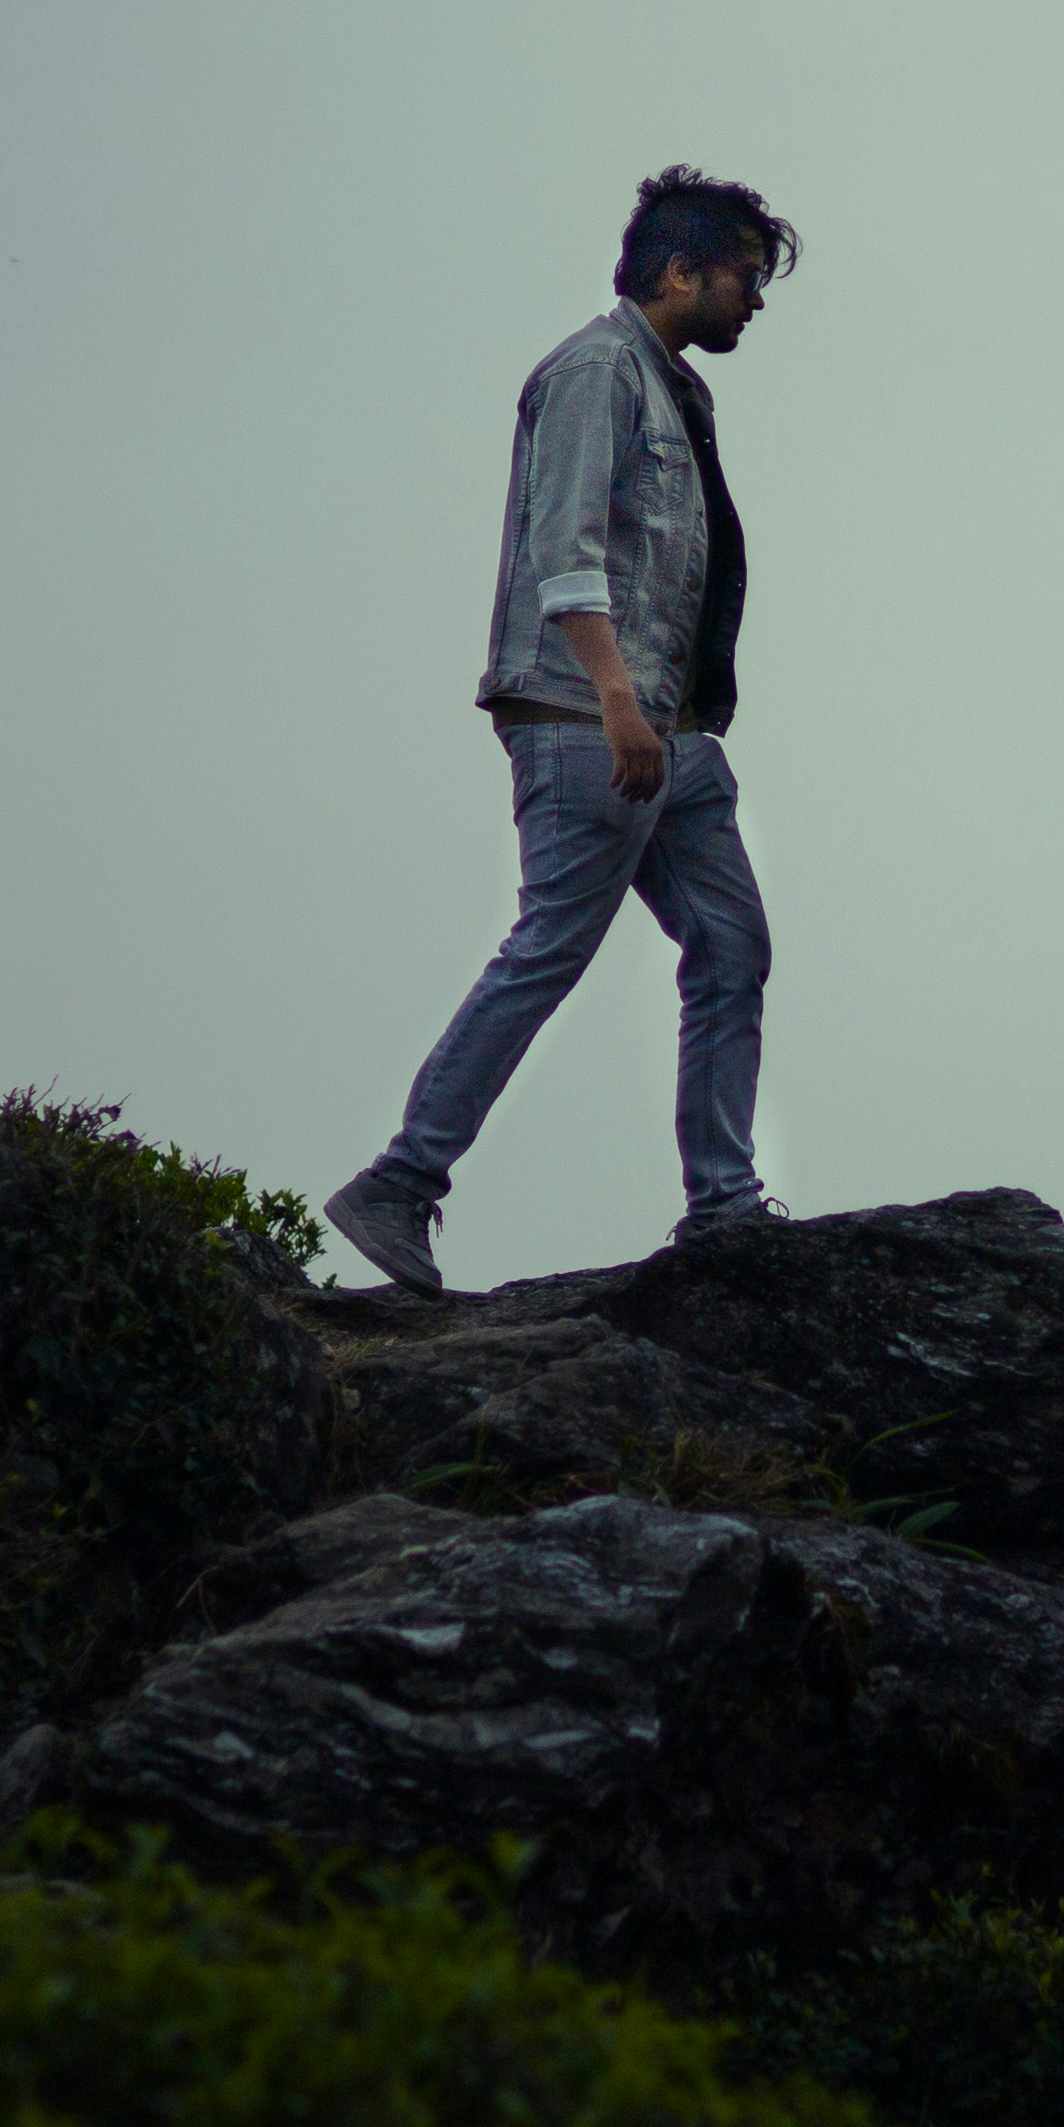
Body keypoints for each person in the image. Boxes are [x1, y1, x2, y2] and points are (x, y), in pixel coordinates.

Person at [317, 168, 798, 1292]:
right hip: (593, 723)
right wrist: (621, 700)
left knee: (733, 947)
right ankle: (402, 1180)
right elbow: (563, 549)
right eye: (743, 276)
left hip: (671, 735)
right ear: (681, 270)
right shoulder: (593, 373)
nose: (754, 302)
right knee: (549, 950)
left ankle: (724, 1204)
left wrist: (671, 716)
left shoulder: (677, 390)